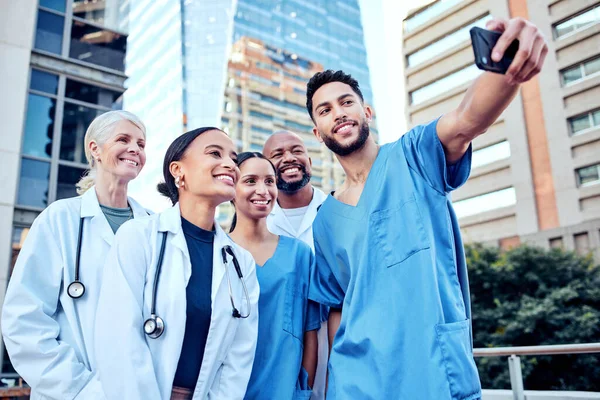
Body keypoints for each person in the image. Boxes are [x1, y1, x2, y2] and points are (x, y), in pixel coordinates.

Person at [306, 18, 548, 399]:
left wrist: (505, 67)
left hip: (432, 370)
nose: (338, 112)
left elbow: (467, 119)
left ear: (366, 112)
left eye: (346, 101)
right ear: (318, 133)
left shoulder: (414, 156)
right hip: (356, 383)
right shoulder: (324, 221)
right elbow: (335, 307)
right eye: (324, 110)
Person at [94, 127, 259, 400]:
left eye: (233, 157)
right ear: (177, 169)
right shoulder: (138, 237)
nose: (230, 164)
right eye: (214, 153)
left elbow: (238, 356)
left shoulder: (240, 262)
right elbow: (120, 340)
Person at [1, 110, 148, 399]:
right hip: (71, 392)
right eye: (124, 139)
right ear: (95, 148)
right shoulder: (60, 219)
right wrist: (80, 389)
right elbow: (25, 320)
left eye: (141, 144)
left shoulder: (153, 227)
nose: (135, 149)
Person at [228, 152, 320, 400]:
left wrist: (302, 391)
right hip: (229, 389)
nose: (263, 190)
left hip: (284, 390)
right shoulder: (217, 251)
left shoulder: (299, 254)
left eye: (270, 181)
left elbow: (309, 331)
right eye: (250, 181)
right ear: (231, 188)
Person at [262, 131, 328, 400]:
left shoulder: (338, 209)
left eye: (296, 150)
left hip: (335, 338)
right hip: (278, 347)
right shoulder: (257, 222)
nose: (289, 158)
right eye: (277, 155)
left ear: (309, 160)